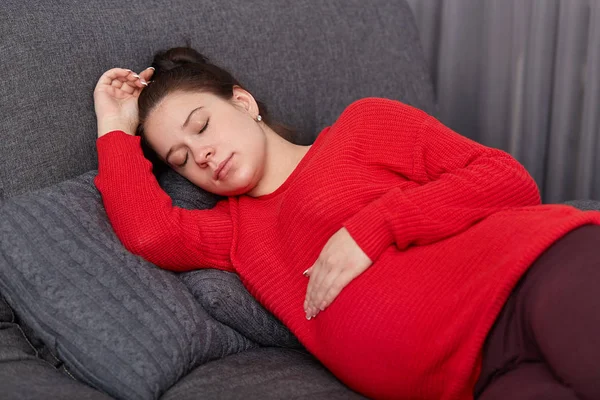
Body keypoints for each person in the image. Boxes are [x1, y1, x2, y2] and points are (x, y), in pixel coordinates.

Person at [92, 46, 600, 400]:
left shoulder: (363, 126)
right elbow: (149, 232)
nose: (200, 154)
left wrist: (373, 227)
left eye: (201, 125)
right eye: (180, 159)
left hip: (535, 274)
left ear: (242, 102)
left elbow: (507, 179)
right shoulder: (235, 235)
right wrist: (114, 127)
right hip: (480, 379)